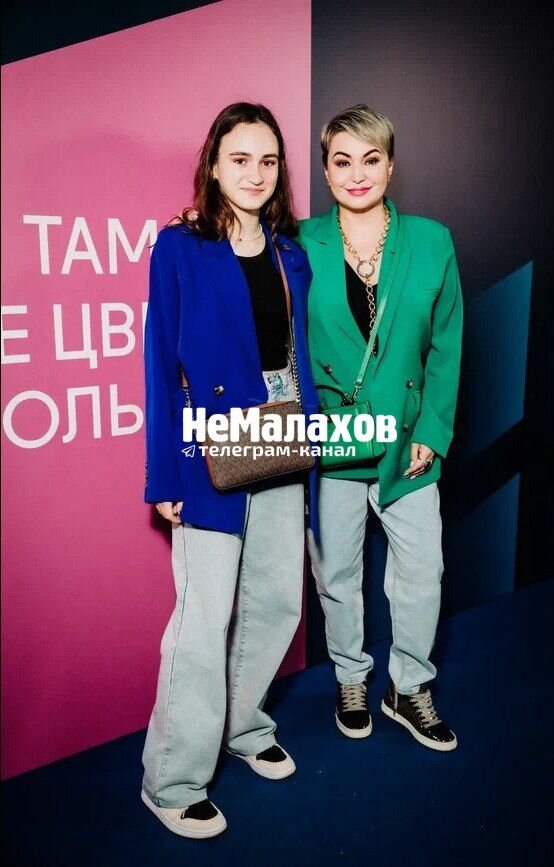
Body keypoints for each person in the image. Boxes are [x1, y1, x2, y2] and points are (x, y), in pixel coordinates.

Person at [141, 102, 318, 839]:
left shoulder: (290, 254)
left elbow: (298, 359)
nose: (255, 173)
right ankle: (173, 779)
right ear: (214, 165)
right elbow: (160, 364)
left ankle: (244, 726)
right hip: (209, 441)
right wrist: (165, 474)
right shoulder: (180, 247)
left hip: (281, 431)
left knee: (277, 602)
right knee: (203, 617)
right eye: (240, 158)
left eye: (267, 160)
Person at [299, 104, 463, 750]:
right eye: (342, 161)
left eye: (371, 159)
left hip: (406, 442)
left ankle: (409, 686)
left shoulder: (431, 240)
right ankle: (350, 677)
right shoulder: (298, 241)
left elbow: (446, 344)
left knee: (422, 572)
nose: (357, 174)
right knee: (336, 574)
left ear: (391, 165)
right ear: (326, 171)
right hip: (331, 441)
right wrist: (195, 226)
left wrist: (433, 430)